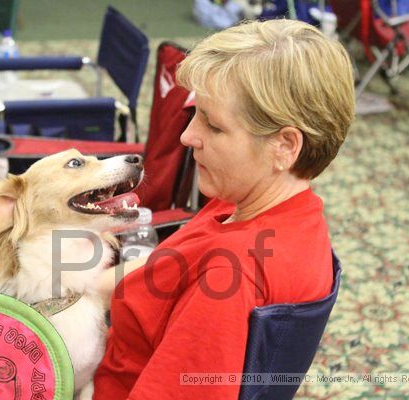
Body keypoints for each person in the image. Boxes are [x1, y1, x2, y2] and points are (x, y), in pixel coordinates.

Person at [93, 18, 355, 399]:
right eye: (196, 113)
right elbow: (162, 270)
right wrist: (70, 290)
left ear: (284, 146)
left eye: (213, 126)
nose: (187, 136)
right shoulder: (273, 210)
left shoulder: (229, 277)